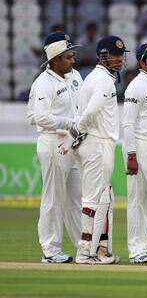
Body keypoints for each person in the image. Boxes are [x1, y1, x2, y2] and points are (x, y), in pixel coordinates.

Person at [73, 36, 129, 264]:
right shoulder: (104, 81)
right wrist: (76, 131)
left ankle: (100, 249)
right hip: (97, 143)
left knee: (103, 197)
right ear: (101, 56)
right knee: (94, 199)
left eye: (120, 55)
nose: (118, 59)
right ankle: (85, 251)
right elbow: (90, 112)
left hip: (96, 142)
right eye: (113, 55)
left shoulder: (96, 77)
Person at [28, 32, 83, 263]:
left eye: (72, 56)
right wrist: (69, 124)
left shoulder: (76, 76)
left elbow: (81, 108)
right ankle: (50, 250)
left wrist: (77, 127)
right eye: (68, 57)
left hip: (72, 143)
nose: (73, 60)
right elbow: (38, 117)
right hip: (53, 142)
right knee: (53, 197)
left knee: (76, 198)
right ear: (55, 59)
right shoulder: (43, 83)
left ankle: (84, 246)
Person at [122, 43, 147, 264]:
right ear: (142, 63)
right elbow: (127, 123)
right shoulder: (137, 85)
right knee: (138, 199)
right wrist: (131, 155)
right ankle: (137, 250)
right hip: (139, 144)